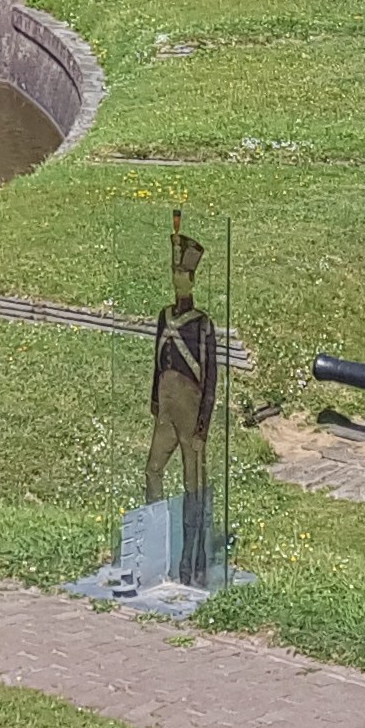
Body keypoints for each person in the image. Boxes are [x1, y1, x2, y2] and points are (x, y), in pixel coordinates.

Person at [145, 213, 219, 585]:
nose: (177, 280)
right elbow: (156, 363)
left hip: (191, 417)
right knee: (153, 471)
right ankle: (157, 548)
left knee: (194, 488)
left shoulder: (202, 324)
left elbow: (211, 379)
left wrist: (203, 424)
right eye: (174, 274)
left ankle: (195, 559)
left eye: (182, 275)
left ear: (191, 279)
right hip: (166, 413)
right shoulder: (163, 316)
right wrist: (154, 403)